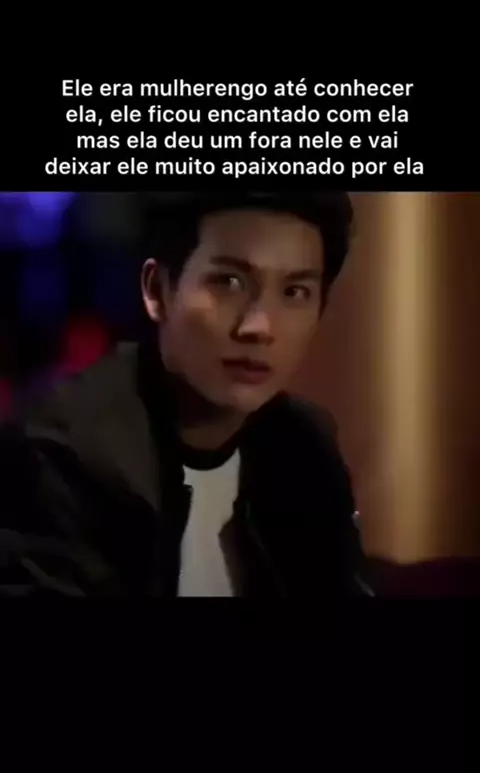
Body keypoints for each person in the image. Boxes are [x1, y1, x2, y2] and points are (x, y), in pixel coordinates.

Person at [0, 191, 373, 597]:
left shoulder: (304, 445)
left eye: (295, 292)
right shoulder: (65, 454)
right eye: (229, 282)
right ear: (156, 290)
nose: (259, 326)